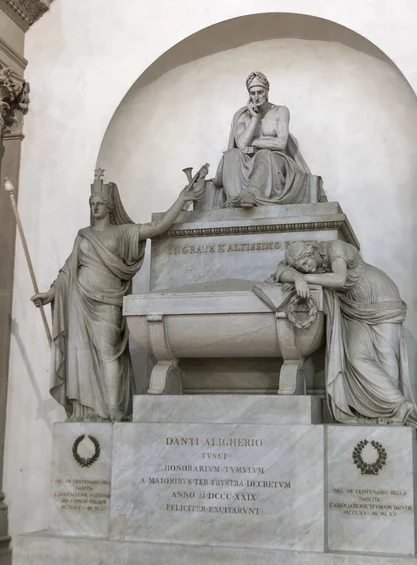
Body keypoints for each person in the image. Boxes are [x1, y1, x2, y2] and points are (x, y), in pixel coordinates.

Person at [31, 169, 204, 422]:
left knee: (108, 353)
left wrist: (182, 199)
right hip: (80, 301)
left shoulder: (123, 233)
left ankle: (113, 408)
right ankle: (87, 411)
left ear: (110, 206)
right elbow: (68, 270)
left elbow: (157, 228)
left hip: (107, 302)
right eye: (92, 204)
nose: (95, 207)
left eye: (100, 203)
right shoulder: (83, 236)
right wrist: (50, 293)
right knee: (81, 355)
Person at [268, 239, 417, 426]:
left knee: (385, 356)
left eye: (306, 263)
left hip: (380, 298)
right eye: (301, 268)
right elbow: (280, 271)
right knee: (355, 357)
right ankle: (397, 405)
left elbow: (339, 279)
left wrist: (303, 279)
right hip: (353, 307)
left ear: (311, 251)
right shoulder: (307, 268)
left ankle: (396, 412)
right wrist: (296, 277)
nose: (307, 268)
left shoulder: (335, 247)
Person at [214, 71, 325, 208]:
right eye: (252, 93)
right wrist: (255, 118)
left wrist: (255, 143)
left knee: (264, 153)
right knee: (231, 154)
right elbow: (241, 144)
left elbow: (281, 143)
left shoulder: (280, 111)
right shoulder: (243, 116)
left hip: (276, 162)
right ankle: (235, 199)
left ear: (267, 91)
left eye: (260, 92)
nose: (256, 97)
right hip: (249, 162)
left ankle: (252, 193)